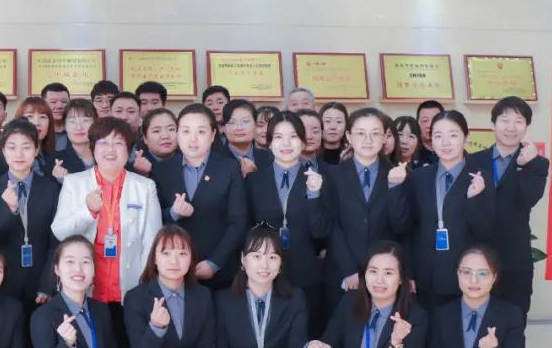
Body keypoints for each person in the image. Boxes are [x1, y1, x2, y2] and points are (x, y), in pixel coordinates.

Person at [389, 109, 493, 348]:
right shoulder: (420, 177)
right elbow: (405, 228)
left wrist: (478, 200)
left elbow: (486, 233)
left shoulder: (480, 177)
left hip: (464, 285)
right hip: (426, 281)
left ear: (466, 138)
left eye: (453, 135)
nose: (445, 142)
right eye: (438, 135)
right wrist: (409, 272)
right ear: (429, 140)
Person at [51, 117, 162, 348]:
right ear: (93, 148)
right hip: (87, 286)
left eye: (118, 143)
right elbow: (60, 231)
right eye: (103, 143)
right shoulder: (74, 183)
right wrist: (88, 211)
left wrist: (144, 286)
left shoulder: (145, 187)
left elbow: (152, 241)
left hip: (130, 287)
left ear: (128, 150)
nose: (110, 149)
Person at [470, 96, 549, 348]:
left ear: (526, 126)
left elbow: (526, 199)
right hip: (478, 263)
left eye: (519, 120)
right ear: (493, 124)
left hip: (515, 263)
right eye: (504, 119)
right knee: (474, 331)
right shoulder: (473, 160)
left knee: (513, 334)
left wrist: (525, 165)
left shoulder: (537, 164)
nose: (511, 127)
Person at [246, 111, 332, 334]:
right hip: (263, 276)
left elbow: (321, 232)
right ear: (268, 142)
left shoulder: (319, 180)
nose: (286, 144)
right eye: (278, 137)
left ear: (303, 142)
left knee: (306, 336)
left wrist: (314, 195)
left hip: (305, 275)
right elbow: (246, 229)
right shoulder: (253, 181)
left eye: (293, 137)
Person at [324, 108, 411, 316]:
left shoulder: (399, 174)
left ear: (384, 137)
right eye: (361, 133)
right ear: (348, 137)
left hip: (384, 278)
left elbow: (401, 226)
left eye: (375, 133)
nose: (368, 140)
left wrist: (395, 188)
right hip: (341, 275)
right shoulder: (331, 175)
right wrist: (349, 270)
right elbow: (331, 226)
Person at [153, 104, 248, 292]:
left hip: (221, 273)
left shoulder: (229, 168)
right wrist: (173, 213)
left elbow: (238, 222)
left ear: (212, 135)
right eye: (186, 131)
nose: (193, 139)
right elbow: (153, 219)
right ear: (177, 134)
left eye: (201, 132)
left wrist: (215, 262)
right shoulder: (162, 170)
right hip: (174, 272)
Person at [0, 120, 59, 311]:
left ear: (36, 150)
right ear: (3, 150)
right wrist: (9, 211)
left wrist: (48, 284)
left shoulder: (51, 189)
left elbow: (55, 243)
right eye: (12, 147)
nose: (19, 154)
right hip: (2, 283)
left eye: (26, 147)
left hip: (40, 285)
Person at [219, 99, 272, 177]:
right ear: (224, 128)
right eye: (232, 122)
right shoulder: (214, 161)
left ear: (255, 125)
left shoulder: (270, 158)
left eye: (245, 121)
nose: (239, 127)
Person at [15, 96, 56, 177]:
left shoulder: (54, 156)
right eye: (30, 116)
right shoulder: (9, 157)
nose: (37, 122)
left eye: (42, 117)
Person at [55, 99, 96, 175]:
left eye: (85, 120)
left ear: (95, 123)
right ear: (64, 126)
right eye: (72, 121)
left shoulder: (106, 154)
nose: (79, 127)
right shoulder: (56, 160)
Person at [41, 82, 71, 152]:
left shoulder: (78, 130)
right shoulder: (38, 132)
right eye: (53, 102)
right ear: (43, 104)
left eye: (64, 102)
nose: (59, 106)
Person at [415, 100, 445, 166]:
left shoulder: (455, 152)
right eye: (425, 121)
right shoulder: (411, 153)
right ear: (417, 124)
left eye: (434, 119)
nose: (429, 125)